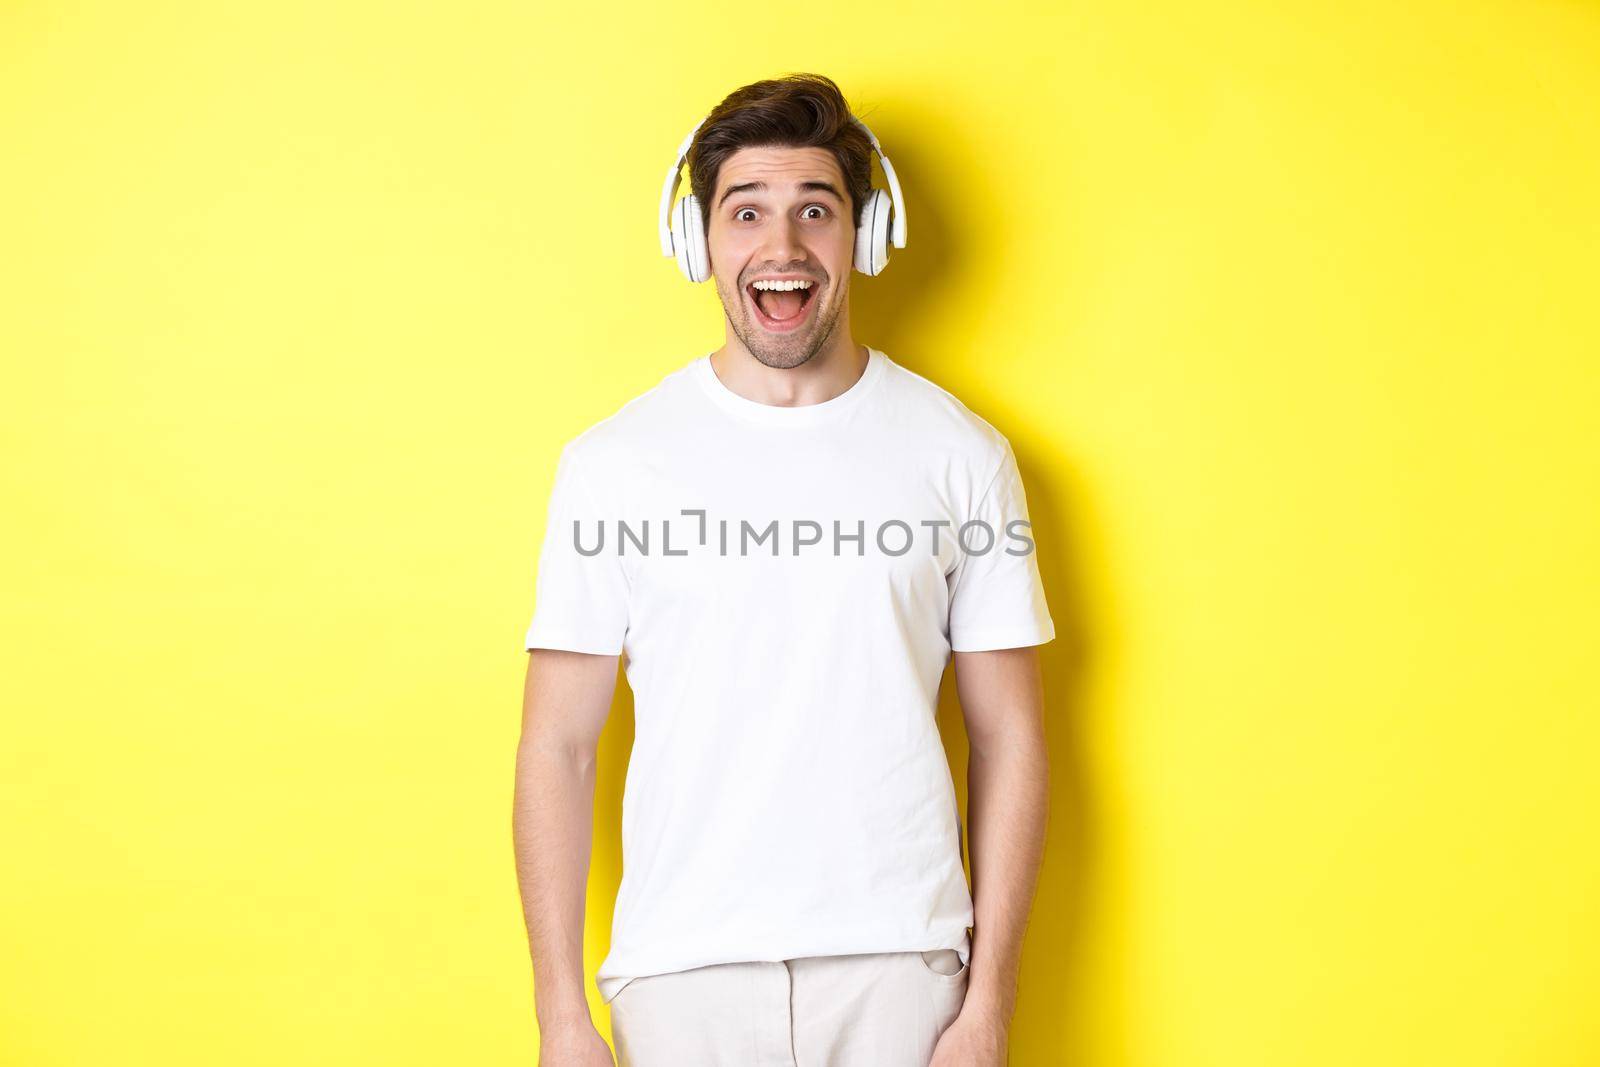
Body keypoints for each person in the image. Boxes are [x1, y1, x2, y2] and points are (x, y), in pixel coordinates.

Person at [513, 73, 1054, 1067]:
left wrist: (986, 1009)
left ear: (865, 233)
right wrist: (559, 1019)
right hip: (679, 976)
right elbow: (557, 744)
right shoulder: (610, 466)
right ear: (698, 240)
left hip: (903, 970)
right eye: (746, 210)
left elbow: (1010, 735)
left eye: (816, 209)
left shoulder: (962, 455)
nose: (783, 245)